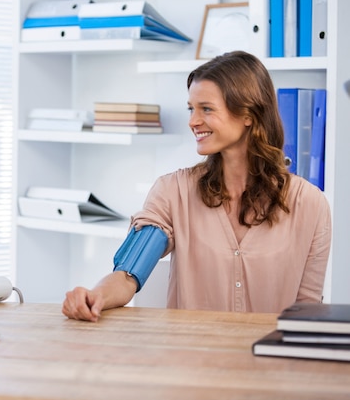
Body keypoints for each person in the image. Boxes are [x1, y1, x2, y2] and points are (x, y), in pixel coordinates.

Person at [62, 50, 331, 321]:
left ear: (248, 114)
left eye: (207, 109)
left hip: (271, 361)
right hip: (191, 359)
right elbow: (128, 273)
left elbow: (308, 312)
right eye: (191, 109)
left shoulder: (309, 204)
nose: (193, 121)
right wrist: (96, 295)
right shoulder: (172, 192)